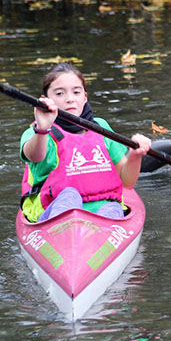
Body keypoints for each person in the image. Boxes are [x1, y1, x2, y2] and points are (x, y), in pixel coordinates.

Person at [20, 63, 152, 222]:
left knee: (113, 207)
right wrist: (42, 129)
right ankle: (69, 234)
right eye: (60, 93)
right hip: (53, 214)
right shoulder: (36, 133)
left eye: (76, 92)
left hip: (105, 212)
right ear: (46, 100)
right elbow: (34, 156)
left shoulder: (101, 128)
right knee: (70, 196)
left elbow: (127, 182)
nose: (70, 99)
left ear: (85, 97)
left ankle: (102, 236)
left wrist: (135, 155)